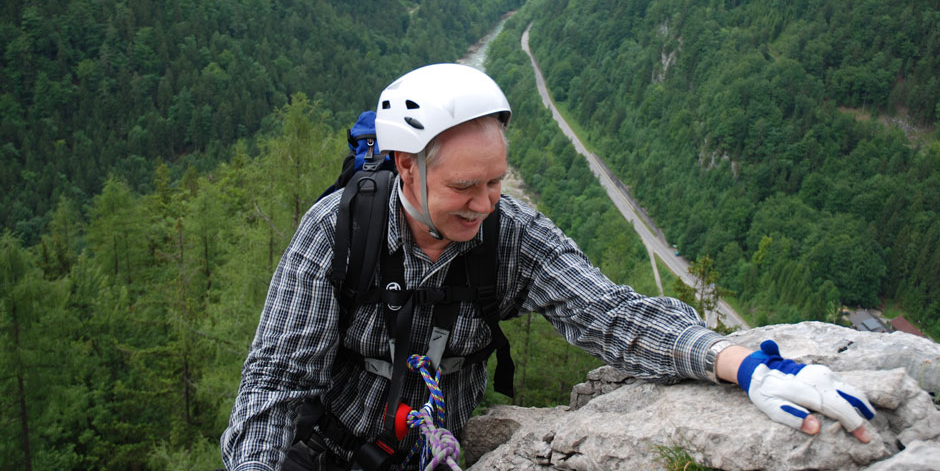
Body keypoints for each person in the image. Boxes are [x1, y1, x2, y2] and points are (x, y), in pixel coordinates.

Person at [222, 63, 875, 471]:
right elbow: (276, 384)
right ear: (406, 168)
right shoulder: (337, 231)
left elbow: (612, 314)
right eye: (464, 187)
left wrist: (744, 364)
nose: (485, 204)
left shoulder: (510, 236)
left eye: (497, 181)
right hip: (329, 454)